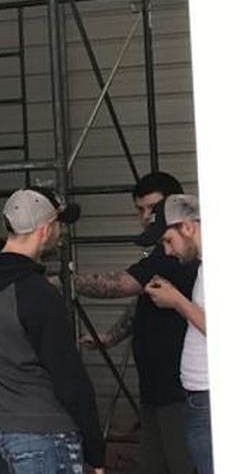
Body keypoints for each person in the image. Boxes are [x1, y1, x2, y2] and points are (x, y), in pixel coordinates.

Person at [0, 186, 105, 474]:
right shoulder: (36, 293)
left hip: (9, 429)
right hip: (48, 434)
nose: (61, 232)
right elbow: (69, 378)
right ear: (45, 229)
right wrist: (96, 451)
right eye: (59, 224)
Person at [70, 172, 196, 474]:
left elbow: (124, 284)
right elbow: (144, 297)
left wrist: (65, 280)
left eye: (154, 208)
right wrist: (111, 336)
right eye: (140, 210)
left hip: (178, 390)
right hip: (155, 389)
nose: (147, 217)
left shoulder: (181, 255)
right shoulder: (165, 251)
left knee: (181, 464)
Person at [138, 194, 212, 474]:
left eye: (169, 240)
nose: (168, 252)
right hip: (199, 397)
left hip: (208, 398)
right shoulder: (205, 266)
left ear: (188, 227)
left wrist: (177, 301)